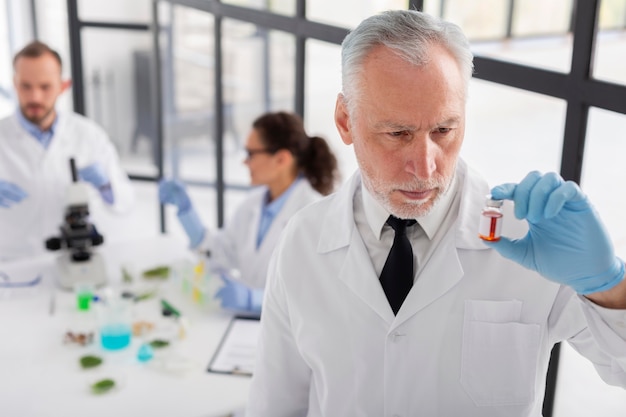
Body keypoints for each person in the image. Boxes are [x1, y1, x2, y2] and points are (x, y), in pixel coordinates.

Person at [246, 10, 626, 416]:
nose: (425, 167)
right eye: (397, 134)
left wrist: (609, 287)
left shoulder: (528, 237)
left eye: (443, 130)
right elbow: (276, 403)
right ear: (345, 121)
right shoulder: (303, 241)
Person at [159, 111, 339, 314]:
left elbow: (314, 297)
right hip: (243, 325)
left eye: (251, 154)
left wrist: (253, 299)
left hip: (287, 335)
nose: (245, 162)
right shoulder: (252, 205)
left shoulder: (314, 215)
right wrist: (187, 213)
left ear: (281, 159)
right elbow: (222, 254)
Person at [0, 41, 134, 261]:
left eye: (45, 87)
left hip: (75, 258)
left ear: (63, 86)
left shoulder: (89, 136)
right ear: (14, 83)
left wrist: (107, 186)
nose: (35, 97)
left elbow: (126, 202)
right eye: (26, 86)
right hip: (13, 264)